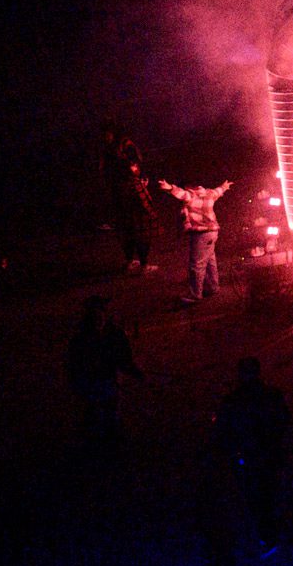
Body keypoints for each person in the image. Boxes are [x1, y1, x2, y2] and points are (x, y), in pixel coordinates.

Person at [214, 356, 290, 554]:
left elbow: (222, 431)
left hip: (249, 458)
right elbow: (284, 421)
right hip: (269, 455)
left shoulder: (233, 401)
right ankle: (268, 534)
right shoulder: (273, 395)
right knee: (268, 494)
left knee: (254, 496)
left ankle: (265, 536)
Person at [66, 296, 142, 447]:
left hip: (106, 380)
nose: (98, 320)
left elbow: (124, 358)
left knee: (108, 409)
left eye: (100, 315)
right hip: (91, 381)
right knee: (96, 410)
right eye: (94, 316)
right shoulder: (82, 338)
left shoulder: (114, 333)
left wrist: (133, 370)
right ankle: (98, 439)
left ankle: (107, 437)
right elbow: (73, 364)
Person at [158, 177, 232, 304]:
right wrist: (224, 186)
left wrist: (169, 187)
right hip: (213, 232)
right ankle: (213, 287)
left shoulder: (190, 195)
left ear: (188, 187)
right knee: (210, 261)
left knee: (197, 265)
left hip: (201, 234)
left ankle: (195, 294)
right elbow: (218, 191)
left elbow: (181, 194)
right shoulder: (209, 193)